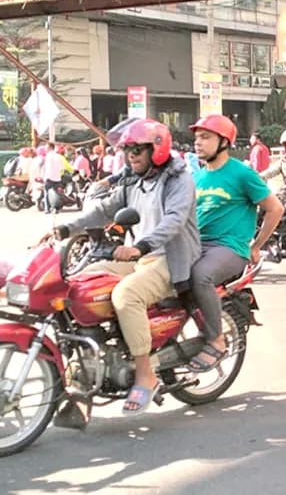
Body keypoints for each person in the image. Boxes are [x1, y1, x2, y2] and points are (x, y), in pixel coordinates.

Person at [51, 119, 199, 415]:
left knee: (125, 296)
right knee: (77, 284)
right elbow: (105, 209)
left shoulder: (178, 179)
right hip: (139, 257)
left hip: (171, 257)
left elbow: (174, 220)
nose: (131, 155)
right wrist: (67, 228)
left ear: (156, 149)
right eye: (128, 150)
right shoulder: (134, 179)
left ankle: (146, 373)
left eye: (137, 149)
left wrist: (139, 247)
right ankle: (88, 370)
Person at [189, 114, 284, 372]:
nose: (198, 143)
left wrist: (255, 245)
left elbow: (275, 209)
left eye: (205, 137)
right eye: (197, 137)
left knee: (200, 276)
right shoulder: (197, 177)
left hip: (229, 248)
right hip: (197, 245)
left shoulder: (242, 173)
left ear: (224, 142)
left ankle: (217, 341)